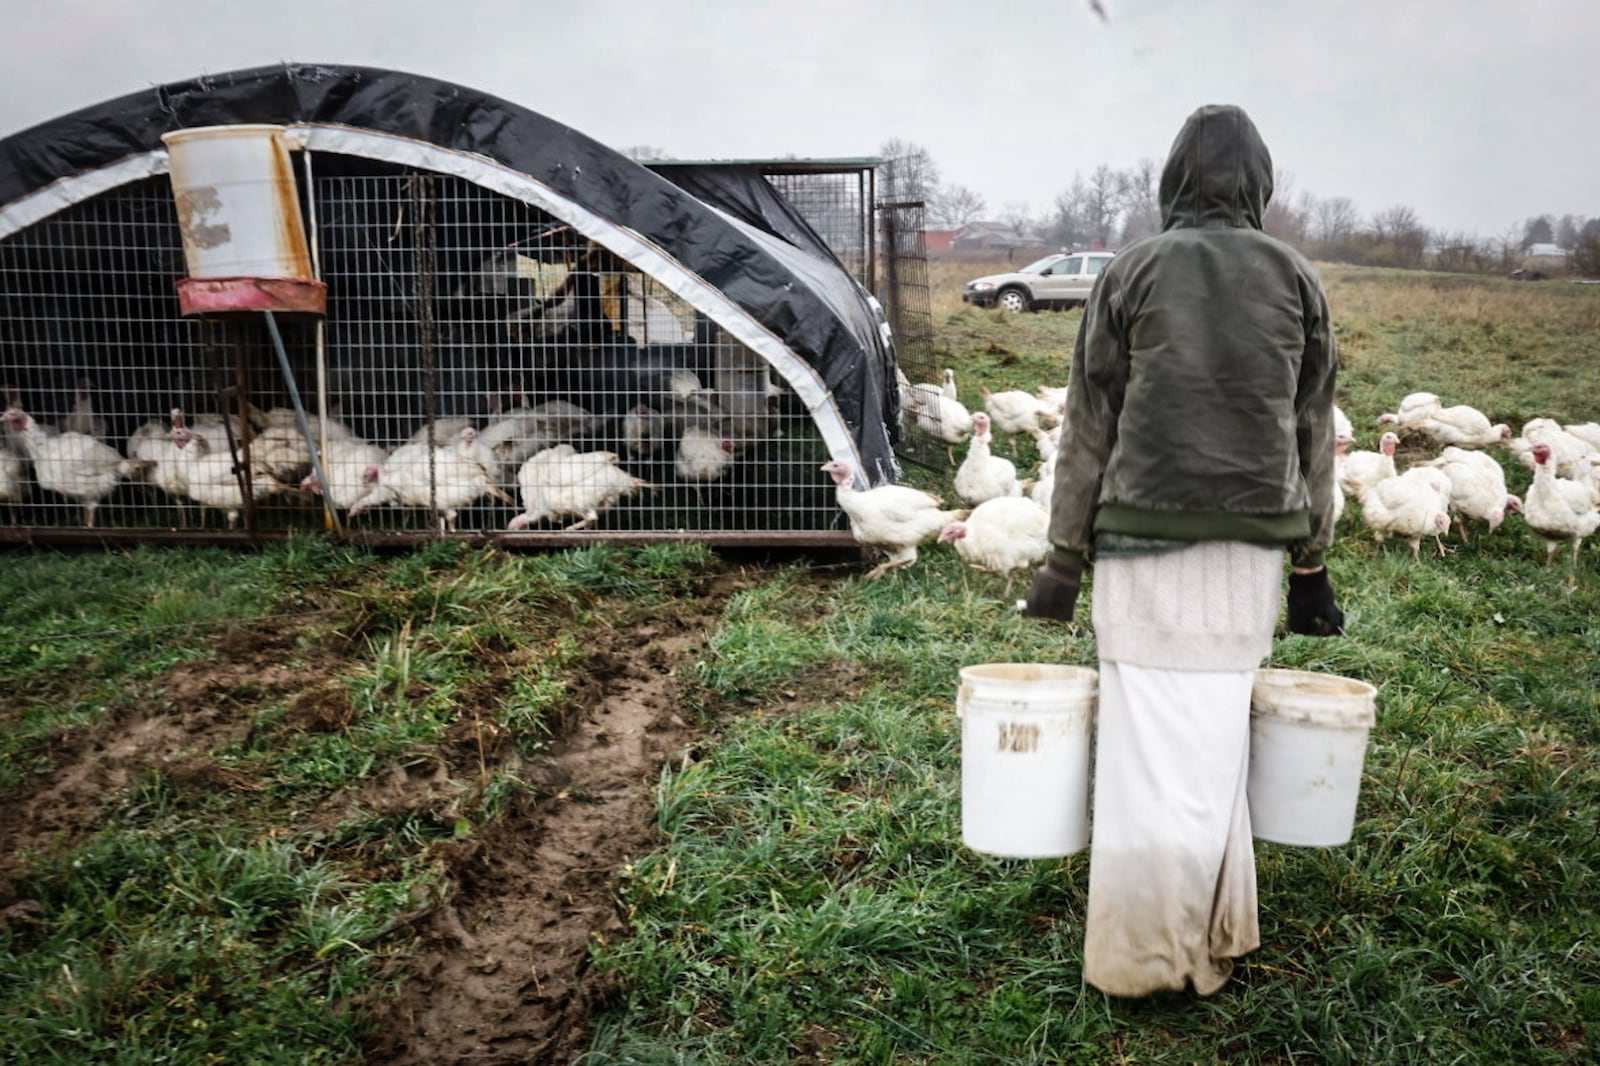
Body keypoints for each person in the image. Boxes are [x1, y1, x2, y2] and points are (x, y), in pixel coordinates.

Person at [1022, 103, 1345, 998]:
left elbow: (1090, 424)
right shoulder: (1295, 278)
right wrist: (1312, 567)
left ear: (1171, 180)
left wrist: (1061, 561)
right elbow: (1312, 430)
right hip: (1249, 558)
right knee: (1212, 745)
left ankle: (1143, 956)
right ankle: (1209, 936)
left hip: (1138, 548)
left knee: (1143, 750)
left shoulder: (1132, 272)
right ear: (1260, 182)